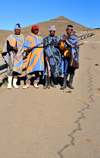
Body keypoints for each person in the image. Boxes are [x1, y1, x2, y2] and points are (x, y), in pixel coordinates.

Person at [2, 23, 24, 89]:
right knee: (11, 69)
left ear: (20, 30)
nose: (17, 31)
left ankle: (14, 83)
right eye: (16, 29)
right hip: (12, 55)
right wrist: (12, 48)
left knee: (17, 70)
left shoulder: (22, 37)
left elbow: (23, 47)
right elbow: (7, 47)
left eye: (18, 30)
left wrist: (22, 52)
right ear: (14, 30)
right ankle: (9, 84)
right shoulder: (10, 37)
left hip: (19, 56)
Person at [58, 25, 79, 90]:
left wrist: (66, 40)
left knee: (72, 69)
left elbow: (76, 45)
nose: (69, 31)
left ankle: (70, 84)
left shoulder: (74, 37)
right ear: (66, 30)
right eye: (68, 30)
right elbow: (58, 43)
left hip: (73, 56)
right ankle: (64, 84)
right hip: (66, 55)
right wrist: (62, 41)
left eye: (70, 30)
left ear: (72, 30)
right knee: (66, 68)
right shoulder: (63, 36)